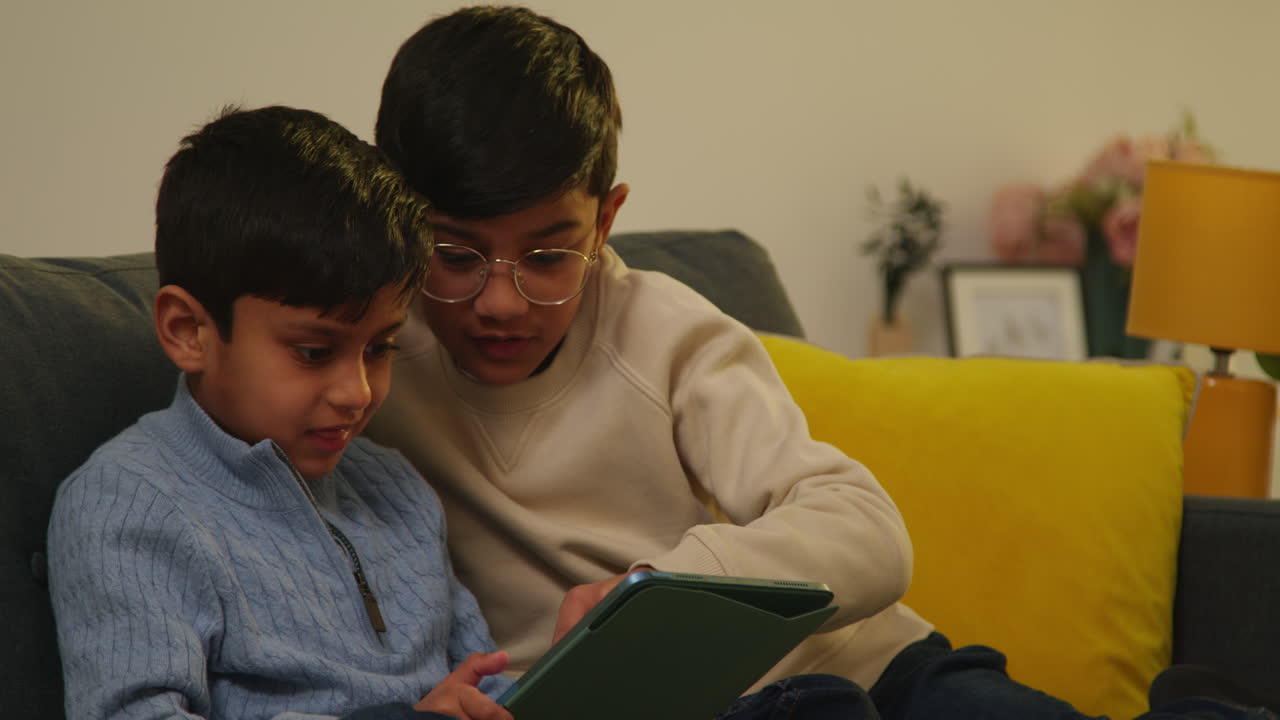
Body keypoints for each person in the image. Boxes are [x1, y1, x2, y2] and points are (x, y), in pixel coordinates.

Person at [366, 6, 1275, 720]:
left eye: (548, 255)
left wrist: (656, 597)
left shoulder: (664, 332)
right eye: (455, 254)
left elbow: (867, 528)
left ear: (605, 223)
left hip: (870, 669)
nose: (498, 299)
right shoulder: (363, 359)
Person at [46, 105, 516, 720]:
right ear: (189, 330)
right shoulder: (129, 505)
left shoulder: (397, 487)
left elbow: (480, 679)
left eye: (380, 348)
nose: (357, 392)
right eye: (315, 351)